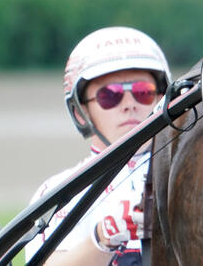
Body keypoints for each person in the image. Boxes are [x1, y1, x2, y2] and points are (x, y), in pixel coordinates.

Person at [25, 26, 171, 266]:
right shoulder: (59, 192)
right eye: (109, 95)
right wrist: (104, 237)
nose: (129, 105)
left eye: (143, 92)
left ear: (161, 100)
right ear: (80, 112)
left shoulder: (197, 174)